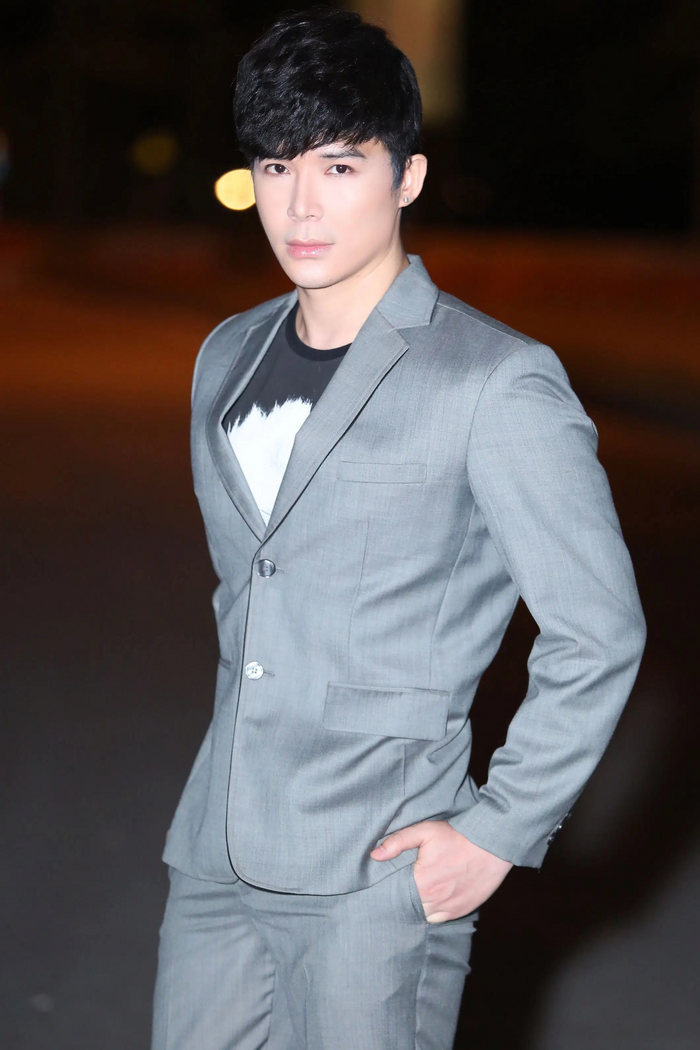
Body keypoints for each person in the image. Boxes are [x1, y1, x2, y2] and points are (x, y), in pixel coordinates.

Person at [151, 8, 646, 1050]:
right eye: (277, 167)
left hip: (376, 869)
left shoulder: (495, 380)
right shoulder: (226, 354)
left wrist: (499, 829)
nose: (301, 204)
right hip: (217, 850)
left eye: (339, 166)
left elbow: (597, 631)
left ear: (406, 177)